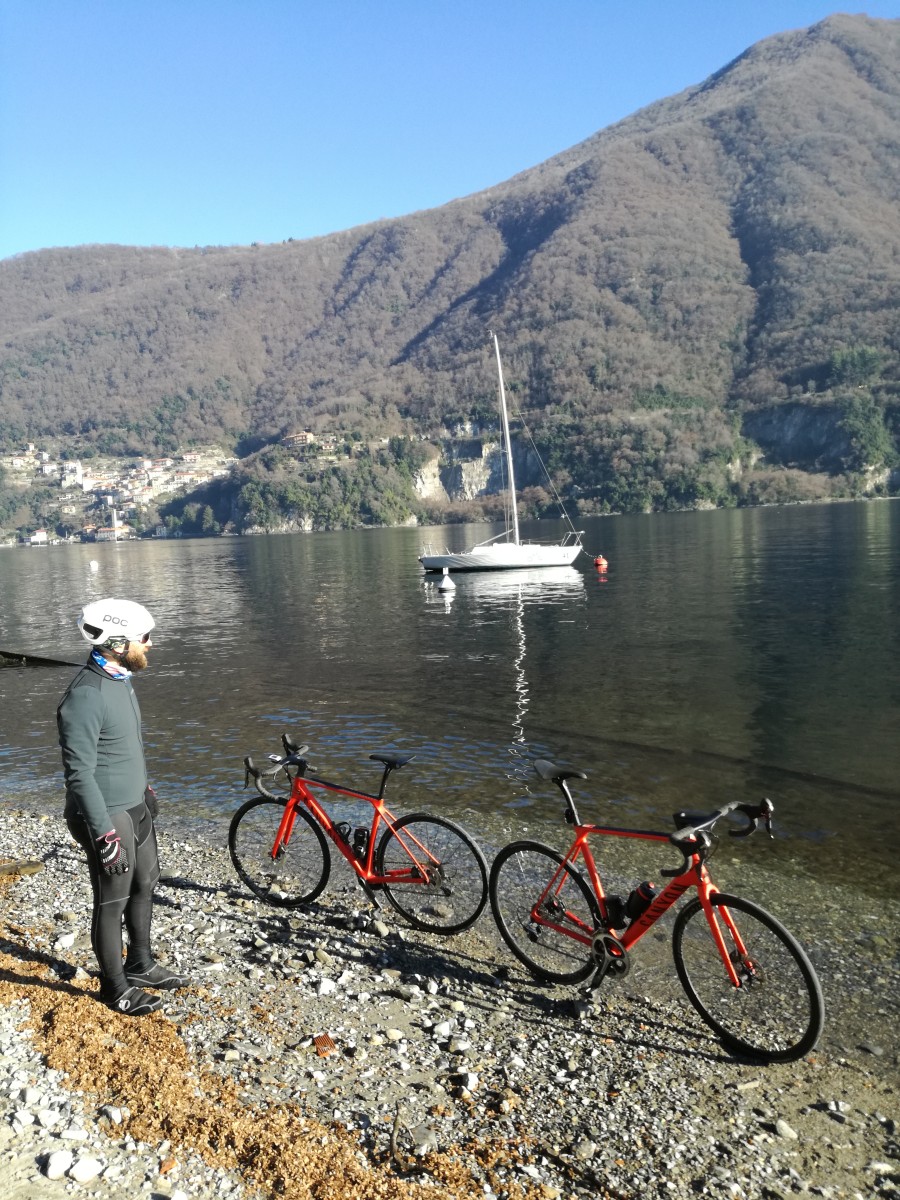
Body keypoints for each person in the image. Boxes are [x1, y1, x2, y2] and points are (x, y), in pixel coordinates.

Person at [57, 597, 189, 1016]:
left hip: (134, 804)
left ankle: (141, 964)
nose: (149, 644)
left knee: (146, 880)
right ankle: (114, 989)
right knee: (111, 898)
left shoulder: (119, 677)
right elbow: (79, 775)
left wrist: (145, 786)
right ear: (117, 641)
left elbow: (124, 744)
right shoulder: (85, 696)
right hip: (104, 813)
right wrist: (104, 833)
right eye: (143, 638)